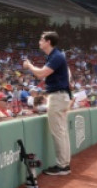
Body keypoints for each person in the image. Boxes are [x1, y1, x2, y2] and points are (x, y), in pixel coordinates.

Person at [22, 31, 72, 176]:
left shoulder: (56, 56)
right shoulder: (55, 55)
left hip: (57, 97)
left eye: (41, 39)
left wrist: (29, 65)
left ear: (48, 42)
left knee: (58, 132)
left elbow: (41, 74)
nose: (39, 41)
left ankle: (62, 166)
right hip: (60, 96)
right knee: (62, 132)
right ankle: (65, 164)